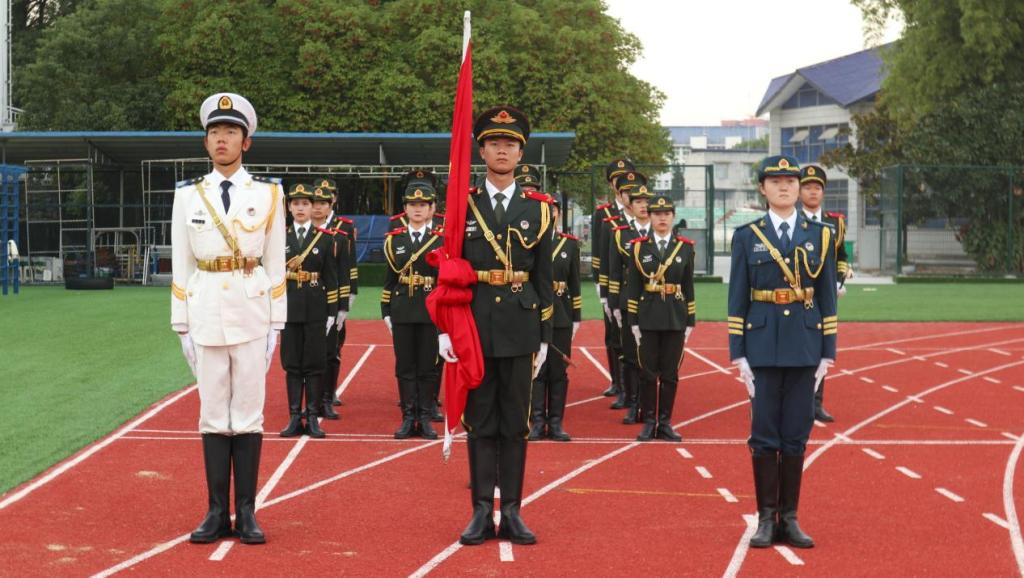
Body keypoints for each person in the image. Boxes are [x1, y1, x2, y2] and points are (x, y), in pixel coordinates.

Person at [171, 93, 285, 545]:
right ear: (206, 142)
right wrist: (181, 323)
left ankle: (247, 512)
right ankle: (217, 512)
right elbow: (182, 264)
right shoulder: (187, 196)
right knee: (213, 414)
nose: (222, 139)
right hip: (204, 312)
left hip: (252, 311)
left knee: (249, 414)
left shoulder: (269, 193)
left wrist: (276, 323)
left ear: (246, 142)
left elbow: (275, 263)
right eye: (215, 132)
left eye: (231, 132)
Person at [443, 105, 553, 546]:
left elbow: (545, 278)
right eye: (494, 143)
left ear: (521, 154)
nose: (502, 150)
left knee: (516, 424)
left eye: (510, 144)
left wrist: (545, 337)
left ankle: (511, 511)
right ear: (482, 151)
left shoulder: (540, 210)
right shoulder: (461, 204)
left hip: (521, 327)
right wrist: (445, 329)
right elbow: (448, 270)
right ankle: (479, 511)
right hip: (475, 327)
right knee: (481, 421)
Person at [728, 155, 838, 550]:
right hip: (762, 347)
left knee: (796, 434)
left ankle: (789, 519)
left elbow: (826, 296)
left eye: (790, 180)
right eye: (775, 181)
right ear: (763, 189)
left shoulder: (821, 235)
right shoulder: (747, 236)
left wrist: (828, 352)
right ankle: (765, 519)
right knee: (763, 436)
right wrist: (739, 354)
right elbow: (737, 297)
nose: (785, 187)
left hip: (805, 346)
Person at [626, 193, 695, 442]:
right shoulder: (638, 247)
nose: (662, 218)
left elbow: (688, 286)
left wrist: (690, 320)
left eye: (666, 214)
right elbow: (633, 286)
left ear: (673, 217)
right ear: (650, 216)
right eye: (657, 214)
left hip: (675, 316)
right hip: (648, 316)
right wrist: (633, 321)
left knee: (670, 373)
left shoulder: (685, 248)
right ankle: (648, 422)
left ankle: (664, 422)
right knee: (647, 372)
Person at [381, 170, 443, 440]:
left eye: (423, 204)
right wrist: (386, 311)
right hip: (403, 310)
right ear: (404, 209)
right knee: (405, 367)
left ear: (432, 208)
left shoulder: (441, 240)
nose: (417, 209)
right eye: (412, 204)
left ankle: (425, 417)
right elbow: (390, 280)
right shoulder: (394, 240)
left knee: (428, 368)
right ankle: (408, 417)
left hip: (431, 311)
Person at [279, 184, 341, 439]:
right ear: (289, 207)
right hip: (289, 308)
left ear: (312, 206)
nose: (301, 208)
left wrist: (332, 312)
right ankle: (295, 416)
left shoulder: (325, 238)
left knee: (315, 365)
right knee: (292, 365)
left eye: (306, 203)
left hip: (316, 308)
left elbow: (331, 278)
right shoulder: (279, 238)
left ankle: (313, 416)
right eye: (296, 204)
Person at [528, 193, 581, 442]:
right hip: (534, 313)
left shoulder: (569, 244)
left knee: (558, 370)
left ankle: (556, 422)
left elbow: (575, 283)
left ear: (559, 214)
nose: (551, 213)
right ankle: (537, 422)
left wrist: (576, 316)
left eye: (554, 209)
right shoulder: (529, 240)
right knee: (537, 370)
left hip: (560, 314)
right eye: (546, 209)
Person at [799, 164, 849, 422]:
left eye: (817, 187)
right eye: (807, 187)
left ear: (823, 191)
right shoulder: (792, 221)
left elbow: (841, 257)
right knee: (799, 346)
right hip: (800, 295)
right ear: (799, 192)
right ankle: (797, 402)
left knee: (822, 348)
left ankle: (816, 403)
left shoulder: (835, 222)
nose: (812, 192)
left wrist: (839, 281)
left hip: (825, 297)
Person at [607, 174, 652, 424]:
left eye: (647, 201)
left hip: (655, 303)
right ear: (630, 206)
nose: (643, 206)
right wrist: (613, 304)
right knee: (630, 355)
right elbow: (615, 272)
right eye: (638, 202)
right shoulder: (620, 234)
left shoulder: (662, 232)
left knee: (650, 358)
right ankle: (633, 404)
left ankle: (649, 406)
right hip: (628, 302)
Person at [591, 159, 634, 402]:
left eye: (627, 176)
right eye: (618, 178)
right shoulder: (603, 213)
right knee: (613, 333)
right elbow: (598, 251)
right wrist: (600, 284)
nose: (623, 181)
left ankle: (634, 384)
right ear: (611, 184)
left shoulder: (643, 209)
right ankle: (617, 381)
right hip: (611, 282)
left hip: (634, 286)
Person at [310, 181, 351, 421]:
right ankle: (310, 402)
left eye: (322, 203)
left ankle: (326, 399)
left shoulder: (338, 237)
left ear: (330, 205)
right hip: (304, 301)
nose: (317, 207)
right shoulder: (293, 234)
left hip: (330, 302)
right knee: (307, 355)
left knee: (330, 352)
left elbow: (344, 272)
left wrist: (343, 306)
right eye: (313, 202)